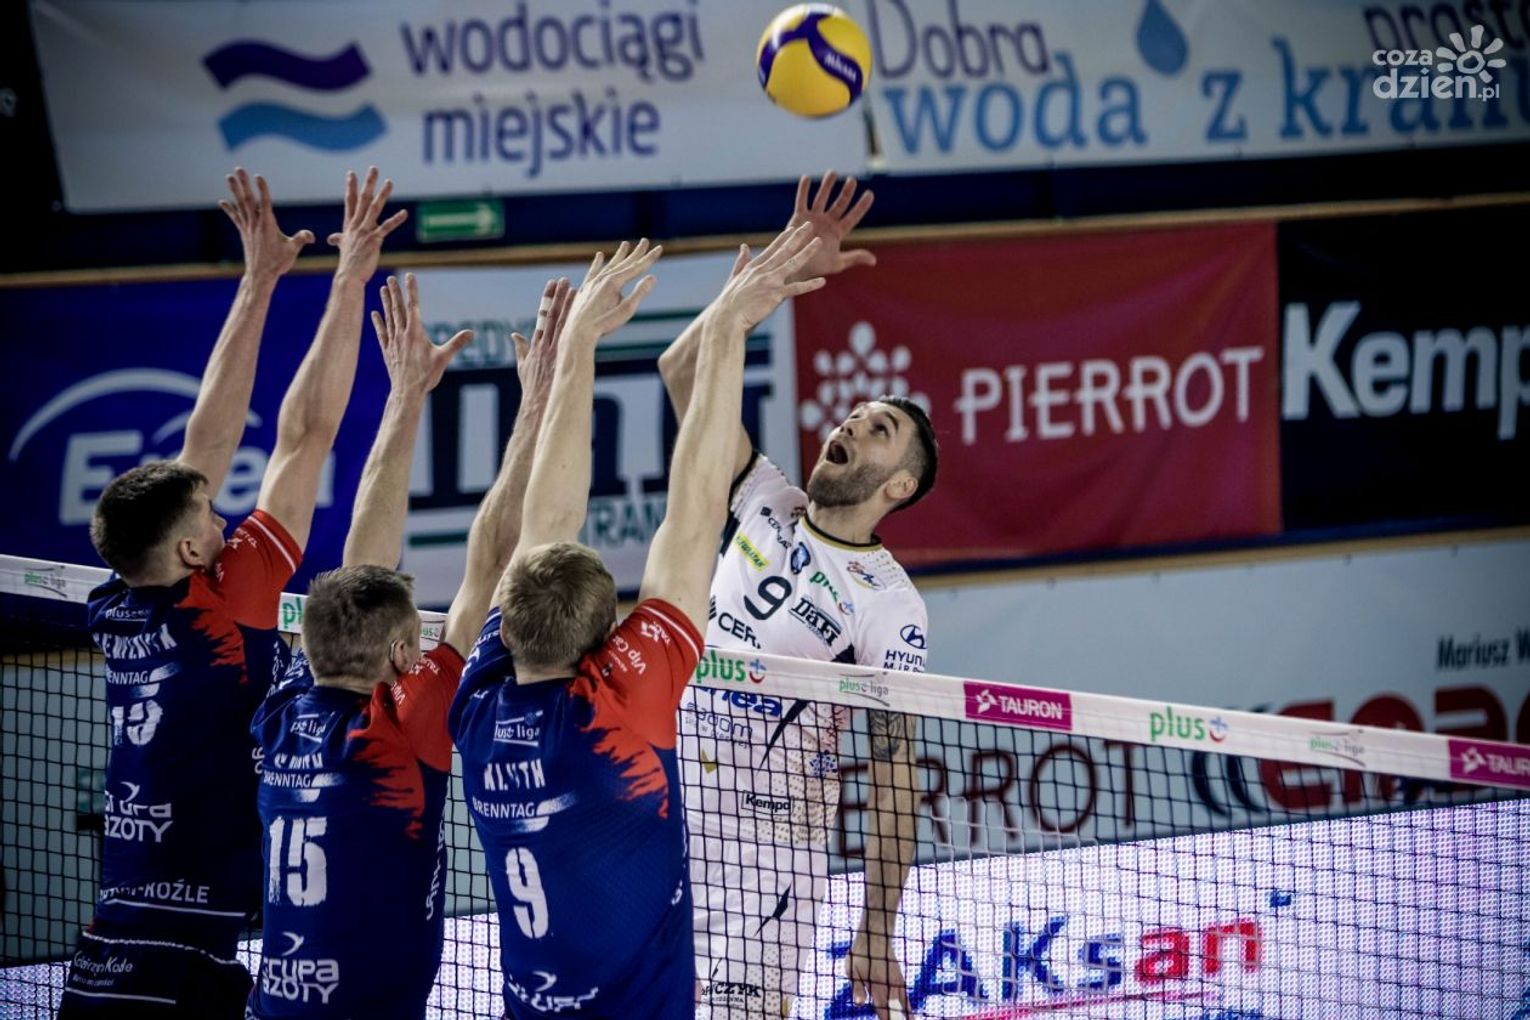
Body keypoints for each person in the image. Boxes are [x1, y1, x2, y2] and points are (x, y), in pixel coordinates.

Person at [450, 228, 825, 1019]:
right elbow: (695, 507)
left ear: (506, 631)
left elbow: (544, 525)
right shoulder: (618, 707)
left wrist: (578, 346)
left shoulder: (476, 705)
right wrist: (724, 329)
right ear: (605, 646)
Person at [62, 167, 406, 1018]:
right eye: (212, 517)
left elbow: (201, 448)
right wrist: (349, 279)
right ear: (189, 550)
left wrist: (258, 282)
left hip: (114, 939)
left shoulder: (118, 601)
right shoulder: (225, 602)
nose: (223, 517)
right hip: (180, 961)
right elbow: (306, 435)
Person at [657, 174, 940, 1020]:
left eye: (879, 429)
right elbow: (682, 368)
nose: (851, 424)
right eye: (856, 414)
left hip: (763, 859)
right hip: (657, 809)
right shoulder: (763, 495)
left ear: (898, 486)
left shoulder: (891, 607)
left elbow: (894, 776)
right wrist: (771, 277)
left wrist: (876, 929)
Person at [246, 272, 559, 1019]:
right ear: (397, 660)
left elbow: (361, 570)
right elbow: (492, 559)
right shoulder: (404, 726)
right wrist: (537, 404)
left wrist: (405, 395)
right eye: (415, 639)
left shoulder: (279, 714)